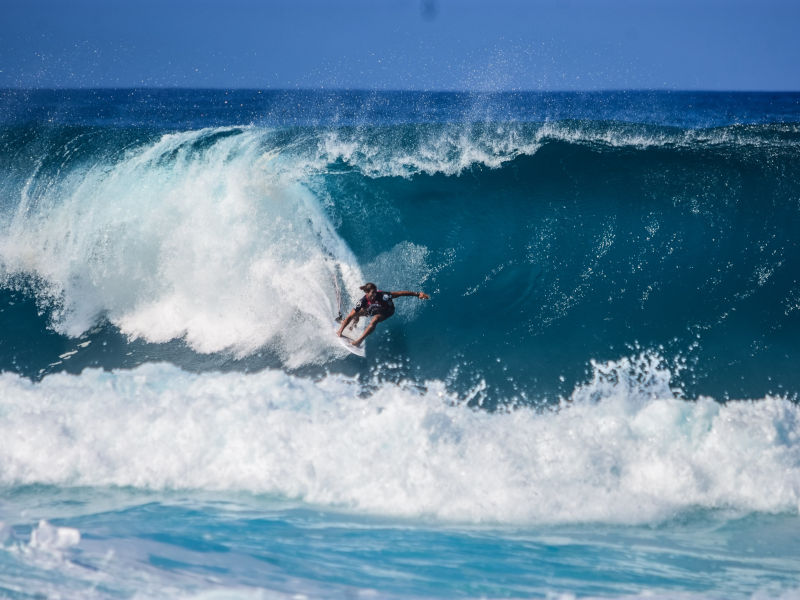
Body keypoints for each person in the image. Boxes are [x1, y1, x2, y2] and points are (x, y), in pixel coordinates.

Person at [336, 282, 430, 347]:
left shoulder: (383, 296)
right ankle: (351, 327)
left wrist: (417, 294)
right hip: (374, 309)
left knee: (375, 319)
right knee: (356, 315)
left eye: (375, 292)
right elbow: (350, 316)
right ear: (366, 293)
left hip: (387, 311)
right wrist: (340, 331)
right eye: (372, 293)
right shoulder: (362, 301)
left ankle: (359, 341)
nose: (374, 295)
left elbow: (400, 293)